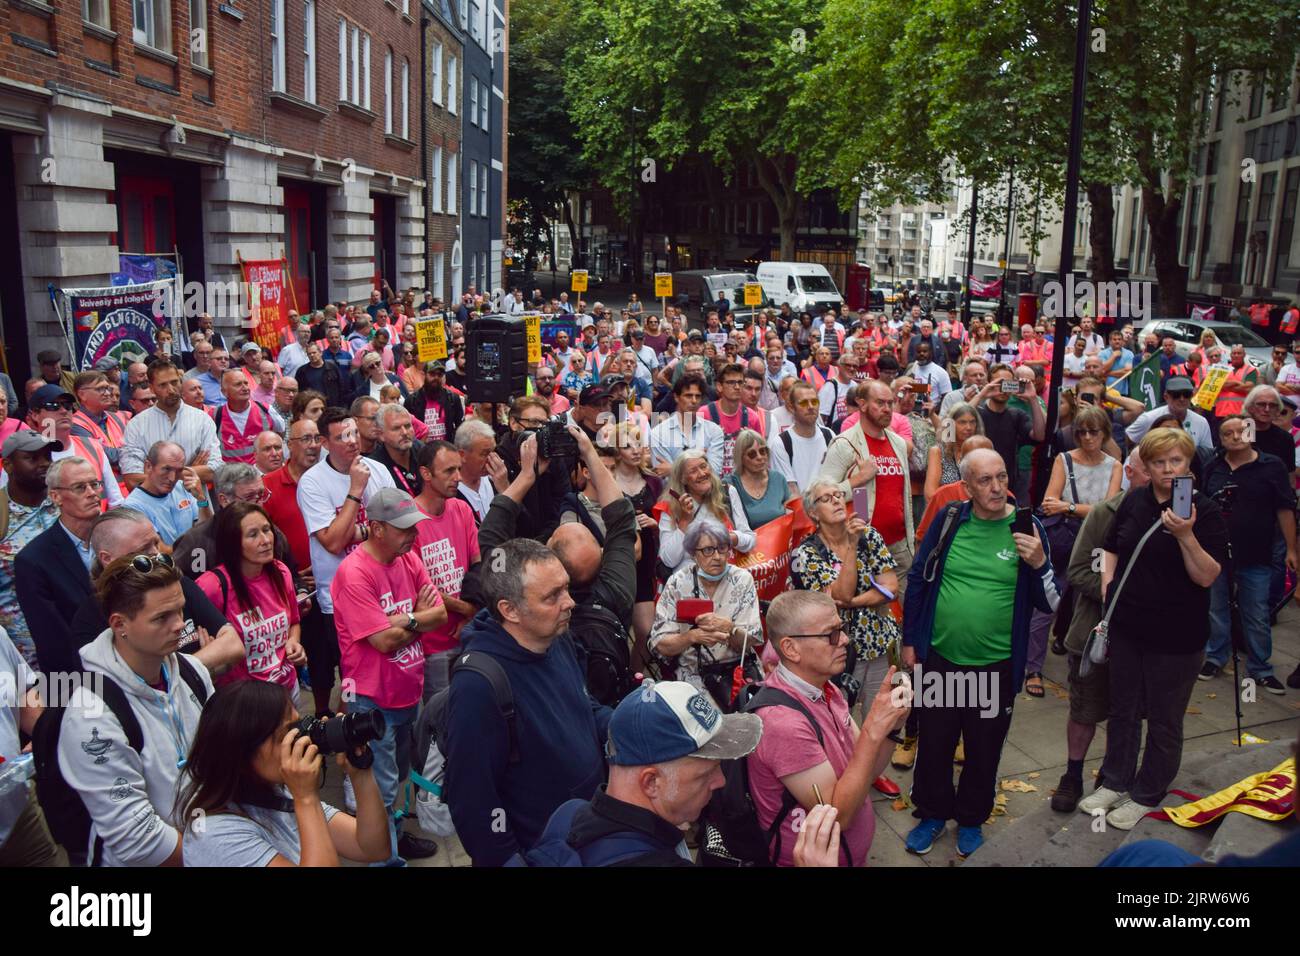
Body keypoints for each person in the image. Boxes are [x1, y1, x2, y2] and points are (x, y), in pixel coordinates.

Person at [902, 449, 1060, 857]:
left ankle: (971, 819)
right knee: (935, 744)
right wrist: (909, 642)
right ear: (967, 486)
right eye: (985, 481)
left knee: (983, 748)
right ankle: (933, 814)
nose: (996, 488)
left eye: (1002, 477)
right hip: (941, 659)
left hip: (994, 668)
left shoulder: (1027, 528)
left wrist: (1040, 564)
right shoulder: (951, 519)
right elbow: (919, 578)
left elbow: (1051, 603)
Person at [1077, 429, 1228, 830]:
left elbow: (1207, 576)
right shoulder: (1135, 500)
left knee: (1164, 718)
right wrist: (1109, 586)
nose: (1166, 469)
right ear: (1146, 465)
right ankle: (1115, 779)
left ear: (1188, 464)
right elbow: (1111, 545)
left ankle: (1148, 791)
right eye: (1158, 462)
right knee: (1123, 709)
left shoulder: (1205, 511)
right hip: (1128, 628)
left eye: (1175, 461)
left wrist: (1185, 535)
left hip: (1176, 638)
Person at [443, 537, 611, 866]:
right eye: (552, 596)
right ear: (509, 610)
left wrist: (629, 726)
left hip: (588, 835)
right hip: (543, 853)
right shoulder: (478, 686)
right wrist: (508, 860)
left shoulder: (557, 636)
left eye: (566, 588)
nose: (569, 603)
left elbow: (582, 706)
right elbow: (472, 798)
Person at [57, 555, 216, 866]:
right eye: (162, 617)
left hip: (208, 841)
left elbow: (226, 756)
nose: (179, 625)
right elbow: (139, 840)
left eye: (180, 609)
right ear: (120, 625)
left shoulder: (192, 672)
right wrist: (222, 856)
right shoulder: (90, 717)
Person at [747, 590, 909, 866]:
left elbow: (865, 770)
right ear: (790, 649)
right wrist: (872, 731)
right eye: (831, 634)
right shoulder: (782, 723)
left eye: (842, 629)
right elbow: (838, 815)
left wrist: (894, 724)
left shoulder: (826, 687)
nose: (845, 639)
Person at [331, 487, 446, 865]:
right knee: (378, 789)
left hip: (407, 692)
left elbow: (440, 614)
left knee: (398, 777)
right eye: (403, 528)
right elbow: (382, 641)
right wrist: (417, 617)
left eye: (414, 526)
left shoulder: (408, 559)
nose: (413, 535)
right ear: (376, 528)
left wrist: (405, 619)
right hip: (370, 698)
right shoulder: (354, 573)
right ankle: (385, 858)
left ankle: (394, 838)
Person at [179, 680, 389, 866]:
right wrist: (306, 798)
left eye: (298, 726)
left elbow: (372, 848)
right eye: (285, 735)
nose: (300, 739)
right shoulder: (215, 836)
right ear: (242, 752)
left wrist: (360, 773)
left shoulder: (278, 794)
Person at [790, 478, 903, 795]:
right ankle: (845, 777)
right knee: (840, 717)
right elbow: (836, 594)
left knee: (878, 712)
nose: (838, 501)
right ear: (814, 512)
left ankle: (872, 770)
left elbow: (890, 587)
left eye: (840, 494)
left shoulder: (870, 534)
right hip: (836, 651)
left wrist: (853, 602)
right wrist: (852, 549)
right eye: (827, 498)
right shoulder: (806, 553)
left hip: (879, 641)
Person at [296, 407, 396, 716]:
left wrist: (359, 531)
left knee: (386, 665)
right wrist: (356, 491)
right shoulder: (312, 482)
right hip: (340, 597)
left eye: (353, 432)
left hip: (385, 587)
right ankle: (350, 737)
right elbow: (333, 541)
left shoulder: (378, 469)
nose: (352, 441)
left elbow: (398, 524)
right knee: (353, 675)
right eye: (341, 437)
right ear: (325, 443)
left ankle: (382, 727)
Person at [1024, 404, 1122, 695]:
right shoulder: (1064, 460)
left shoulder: (1113, 465)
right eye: (1082, 432)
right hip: (1065, 540)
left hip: (1096, 543)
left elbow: (1109, 509)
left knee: (1089, 604)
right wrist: (1084, 509)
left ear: (1104, 433)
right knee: (1046, 603)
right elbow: (1048, 501)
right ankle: (1033, 668)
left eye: (1094, 431)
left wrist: (1069, 507)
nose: (1088, 438)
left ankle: (1081, 669)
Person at [1200, 416, 1295, 694]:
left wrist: (1291, 548)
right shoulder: (1213, 466)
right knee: (1216, 609)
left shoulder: (1271, 466)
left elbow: (1285, 508)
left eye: (1241, 430)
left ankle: (1260, 667)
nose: (1235, 436)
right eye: (1227, 433)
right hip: (1216, 553)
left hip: (1257, 552)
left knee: (1256, 612)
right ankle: (1216, 656)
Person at [195, 501, 305, 702]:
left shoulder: (281, 572)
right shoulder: (212, 586)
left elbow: (294, 622)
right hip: (245, 703)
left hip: (287, 690)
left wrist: (293, 642)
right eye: (253, 534)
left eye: (266, 530)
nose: (265, 540)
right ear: (233, 542)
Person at [648, 519, 762, 707]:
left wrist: (731, 629)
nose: (717, 556)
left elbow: (753, 640)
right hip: (694, 676)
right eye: (708, 550)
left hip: (738, 673)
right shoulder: (678, 582)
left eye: (722, 548)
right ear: (693, 553)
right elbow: (660, 644)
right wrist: (692, 637)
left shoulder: (742, 580)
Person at [817, 379, 916, 597]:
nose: (887, 409)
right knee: (866, 618)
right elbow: (818, 498)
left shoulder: (898, 443)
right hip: (861, 546)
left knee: (897, 619)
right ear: (861, 404)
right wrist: (858, 480)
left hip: (899, 547)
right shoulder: (844, 444)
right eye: (880, 403)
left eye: (890, 403)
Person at [15, 457, 102, 671]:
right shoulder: (33, 561)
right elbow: (54, 641)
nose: (92, 493)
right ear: (56, 497)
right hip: (81, 678)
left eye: (95, 484)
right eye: (80, 487)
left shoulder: (117, 535)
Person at [410, 441, 480, 699]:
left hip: (469, 632)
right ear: (426, 474)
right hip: (434, 643)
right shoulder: (409, 520)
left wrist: (471, 612)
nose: (458, 478)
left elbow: (477, 564)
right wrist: (467, 609)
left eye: (459, 469)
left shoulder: (461, 509)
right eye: (449, 471)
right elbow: (421, 589)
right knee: (439, 719)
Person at [120, 362, 224, 489]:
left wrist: (155, 475)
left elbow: (215, 471)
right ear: (152, 388)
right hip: (154, 505)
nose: (171, 390)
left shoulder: (202, 420)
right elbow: (132, 480)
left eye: (174, 382)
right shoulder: (136, 426)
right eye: (163, 385)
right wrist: (192, 470)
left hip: (196, 502)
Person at [656, 449, 756, 576]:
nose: (702, 473)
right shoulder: (671, 506)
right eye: (693, 471)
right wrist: (685, 522)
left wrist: (731, 538)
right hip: (690, 585)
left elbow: (750, 540)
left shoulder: (727, 493)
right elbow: (668, 560)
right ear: (683, 479)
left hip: (727, 581)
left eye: (704, 466)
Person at [123, 440, 212, 546]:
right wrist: (195, 546)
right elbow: (160, 551)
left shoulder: (182, 487)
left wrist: (201, 499)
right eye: (166, 469)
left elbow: (208, 531)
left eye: (179, 471)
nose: (172, 478)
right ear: (148, 467)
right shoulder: (133, 506)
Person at [972, 365, 1044, 493]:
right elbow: (949, 430)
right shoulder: (977, 412)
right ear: (990, 383)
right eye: (999, 383)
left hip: (1007, 483)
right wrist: (982, 394)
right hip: (977, 481)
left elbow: (1039, 436)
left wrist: (1033, 399)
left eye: (1007, 384)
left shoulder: (1016, 415)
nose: (1003, 389)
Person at [770, 381, 834, 496]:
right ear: (791, 407)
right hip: (801, 509)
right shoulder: (782, 443)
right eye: (804, 403)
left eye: (814, 402)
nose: (810, 407)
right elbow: (791, 491)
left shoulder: (829, 436)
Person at [1124, 376, 1214, 452]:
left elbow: (1207, 452)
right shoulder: (1149, 418)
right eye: (1176, 395)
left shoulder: (1201, 422)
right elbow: (1129, 440)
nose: (1182, 399)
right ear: (1166, 397)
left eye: (1186, 394)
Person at [724, 429, 790, 529]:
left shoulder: (778, 479)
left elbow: (790, 515)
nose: (760, 457)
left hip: (779, 541)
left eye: (763, 451)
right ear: (741, 458)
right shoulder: (729, 485)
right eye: (752, 454)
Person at [70, 371, 128, 477]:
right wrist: (130, 456)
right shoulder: (75, 425)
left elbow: (137, 448)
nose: (107, 393)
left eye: (108, 388)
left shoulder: (118, 417)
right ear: (82, 395)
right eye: (100, 389)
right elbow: (103, 456)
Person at [924, 403, 983, 502]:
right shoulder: (938, 451)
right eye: (962, 422)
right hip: (946, 511)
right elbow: (930, 495)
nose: (968, 427)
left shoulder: (980, 451)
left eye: (972, 422)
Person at [453, 419, 506, 522]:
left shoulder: (496, 480)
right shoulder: (451, 492)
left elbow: (522, 524)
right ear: (462, 455)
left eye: (493, 451)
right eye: (484, 454)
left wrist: (504, 488)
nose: (492, 458)